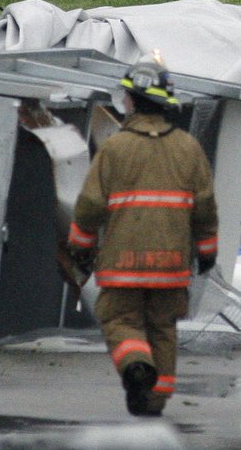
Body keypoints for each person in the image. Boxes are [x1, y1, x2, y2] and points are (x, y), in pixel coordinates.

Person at [66, 57, 218, 417]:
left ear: (131, 101)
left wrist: (80, 250)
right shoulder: (188, 148)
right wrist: (207, 252)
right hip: (171, 265)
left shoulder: (115, 149)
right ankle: (152, 401)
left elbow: (89, 206)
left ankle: (135, 365)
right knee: (163, 328)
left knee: (121, 321)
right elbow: (205, 208)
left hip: (123, 264)